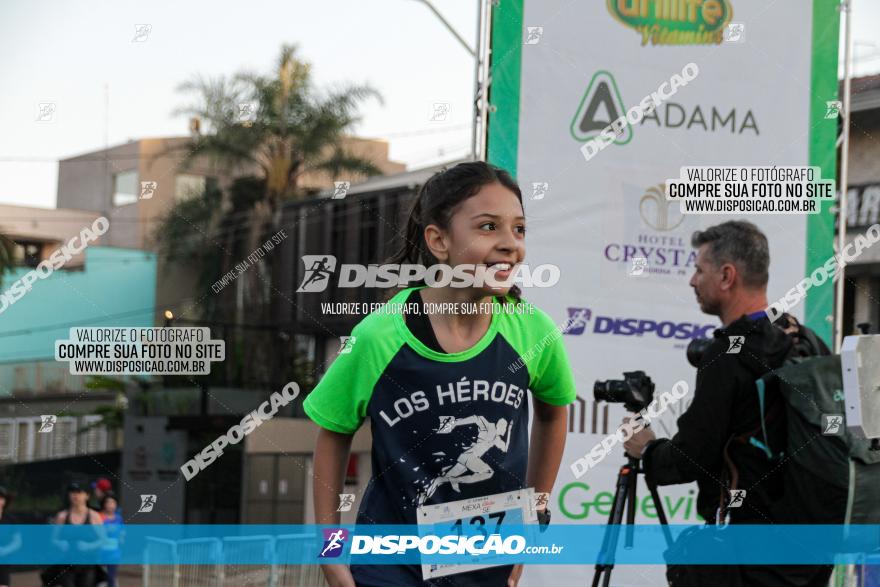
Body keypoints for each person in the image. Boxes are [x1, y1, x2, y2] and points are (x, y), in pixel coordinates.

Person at [305, 161, 577, 587]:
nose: (511, 244)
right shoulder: (378, 336)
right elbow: (333, 432)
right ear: (439, 240)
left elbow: (554, 411)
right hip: (391, 565)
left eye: (519, 229)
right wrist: (330, 549)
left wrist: (533, 513)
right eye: (489, 227)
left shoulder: (534, 332)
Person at [622, 220, 831, 586]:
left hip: (751, 553)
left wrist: (648, 450)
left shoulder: (730, 351)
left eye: (699, 269)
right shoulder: (808, 340)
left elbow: (692, 455)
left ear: (726, 275)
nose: (691, 280)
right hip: (812, 552)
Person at [44, 483, 106, 587]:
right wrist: (60, 543)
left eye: (79, 492)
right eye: (72, 492)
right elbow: (53, 539)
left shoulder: (94, 516)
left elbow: (103, 540)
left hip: (87, 564)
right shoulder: (62, 516)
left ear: (87, 496)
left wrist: (89, 546)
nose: (75, 496)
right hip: (66, 564)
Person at [98, 492, 123, 587]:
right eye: (108, 502)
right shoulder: (98, 517)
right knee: (101, 578)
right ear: (104, 504)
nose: (110, 505)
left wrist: (121, 537)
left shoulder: (118, 518)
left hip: (114, 553)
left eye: (113, 503)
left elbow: (121, 533)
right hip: (100, 553)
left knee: (111, 578)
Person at [0, 487, 21, 587]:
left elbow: (18, 541)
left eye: (1, 498)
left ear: (5, 501)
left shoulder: (11, 519)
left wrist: (5, 550)